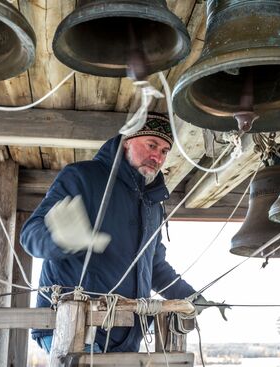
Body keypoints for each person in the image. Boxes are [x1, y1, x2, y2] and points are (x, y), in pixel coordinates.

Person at [20, 112, 199, 353]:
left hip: (125, 336)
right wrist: (60, 239)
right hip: (73, 328)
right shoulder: (82, 177)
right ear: (127, 141)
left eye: (165, 151)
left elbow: (154, 266)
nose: (157, 156)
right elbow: (30, 235)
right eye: (151, 145)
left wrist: (192, 297)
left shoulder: (152, 205)